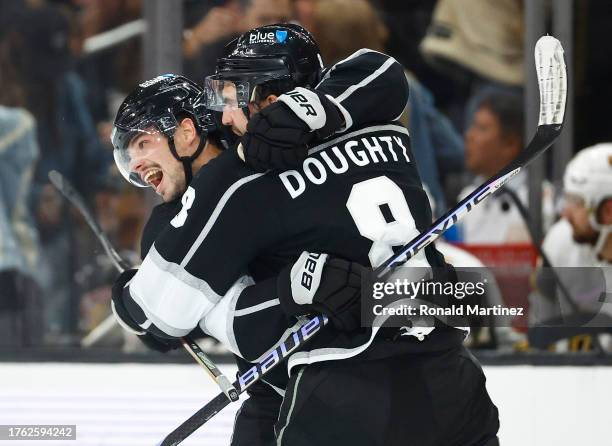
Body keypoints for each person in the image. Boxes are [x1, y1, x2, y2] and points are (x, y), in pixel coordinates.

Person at [112, 25, 498, 446]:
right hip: (450, 371)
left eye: (231, 98)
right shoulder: (382, 124)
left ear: (271, 100)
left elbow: (163, 317)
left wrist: (127, 297)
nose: (224, 117)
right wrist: (312, 108)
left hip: (341, 382)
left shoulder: (241, 182)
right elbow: (381, 70)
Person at [529, 144, 612, 348]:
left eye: (576, 201)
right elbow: (539, 333)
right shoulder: (559, 241)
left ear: (608, 211)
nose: (565, 213)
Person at [457, 90, 553, 244]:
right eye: (472, 126)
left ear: (510, 144)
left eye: (481, 128)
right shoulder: (466, 197)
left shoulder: (542, 201)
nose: (469, 136)